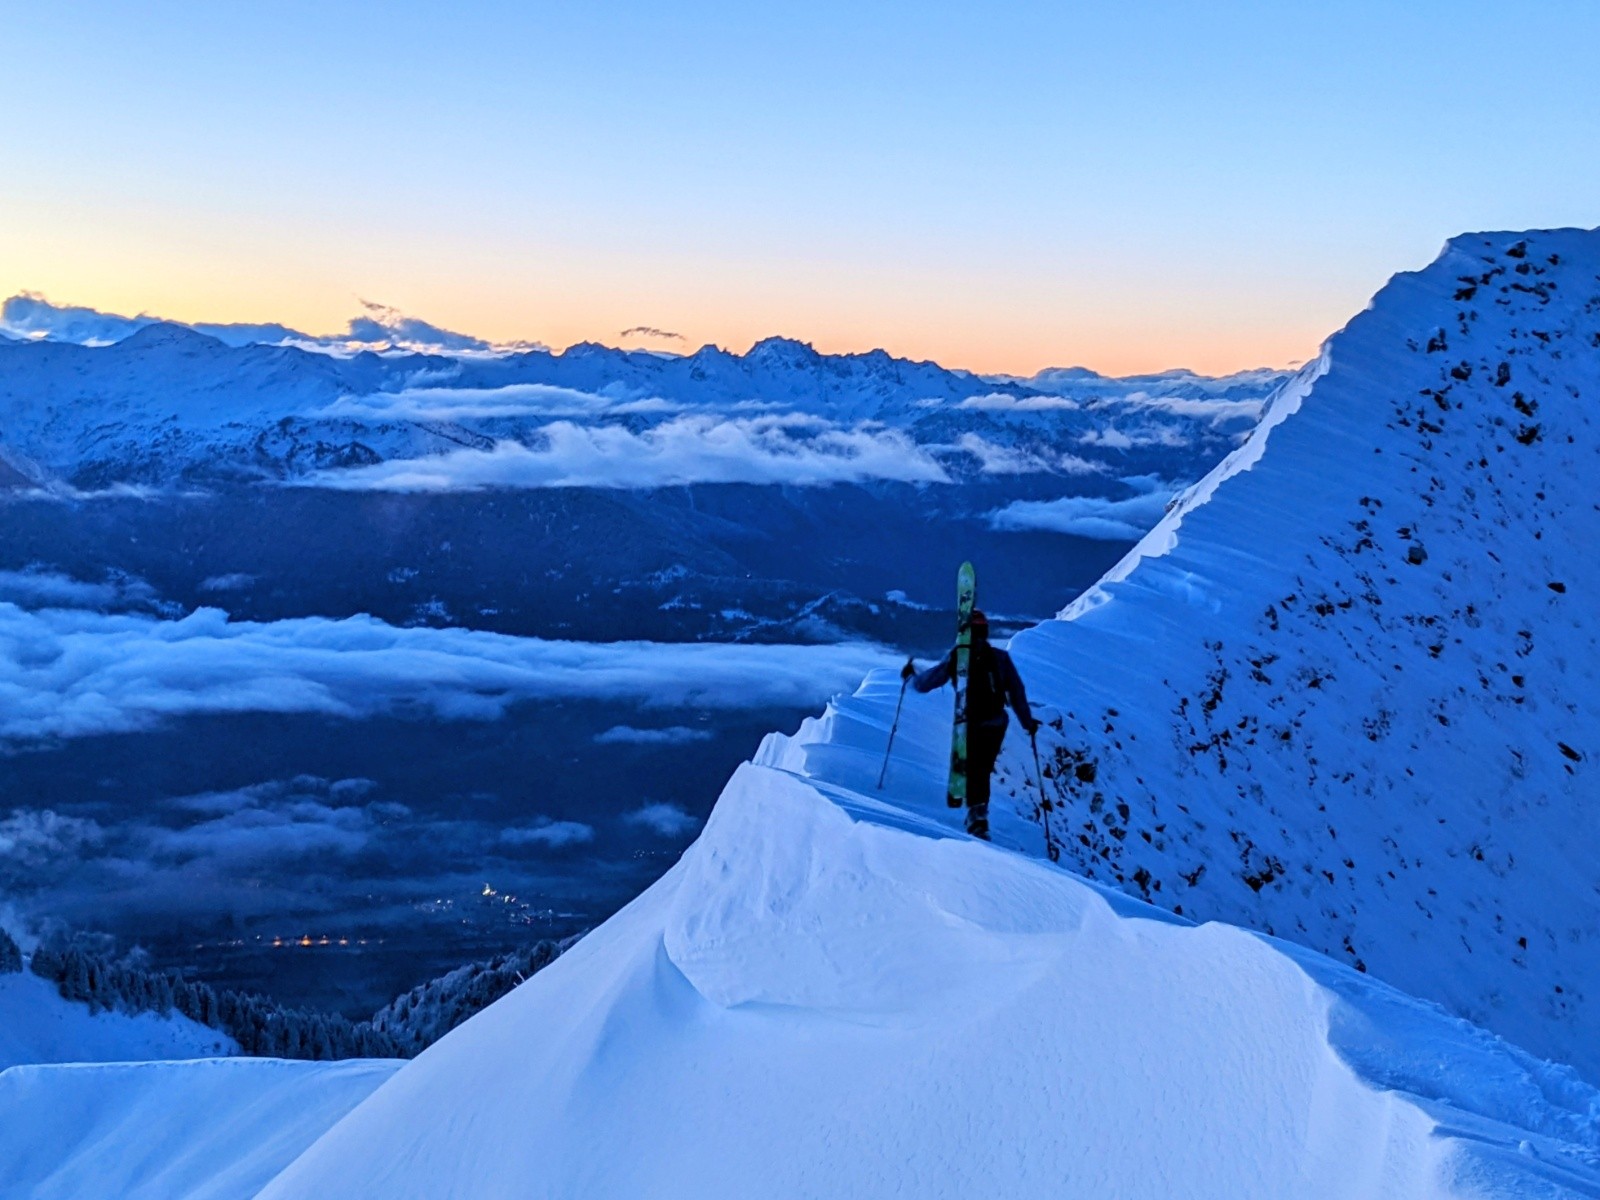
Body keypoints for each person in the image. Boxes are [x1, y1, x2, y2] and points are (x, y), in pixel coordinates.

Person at [902, 610, 1038, 840]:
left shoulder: (957, 657)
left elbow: (928, 682)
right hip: (996, 722)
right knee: (982, 768)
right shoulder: (1000, 658)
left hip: (969, 722)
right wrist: (1027, 722)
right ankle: (978, 814)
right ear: (985, 632)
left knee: (974, 767)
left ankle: (976, 817)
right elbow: (1016, 692)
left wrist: (910, 679)